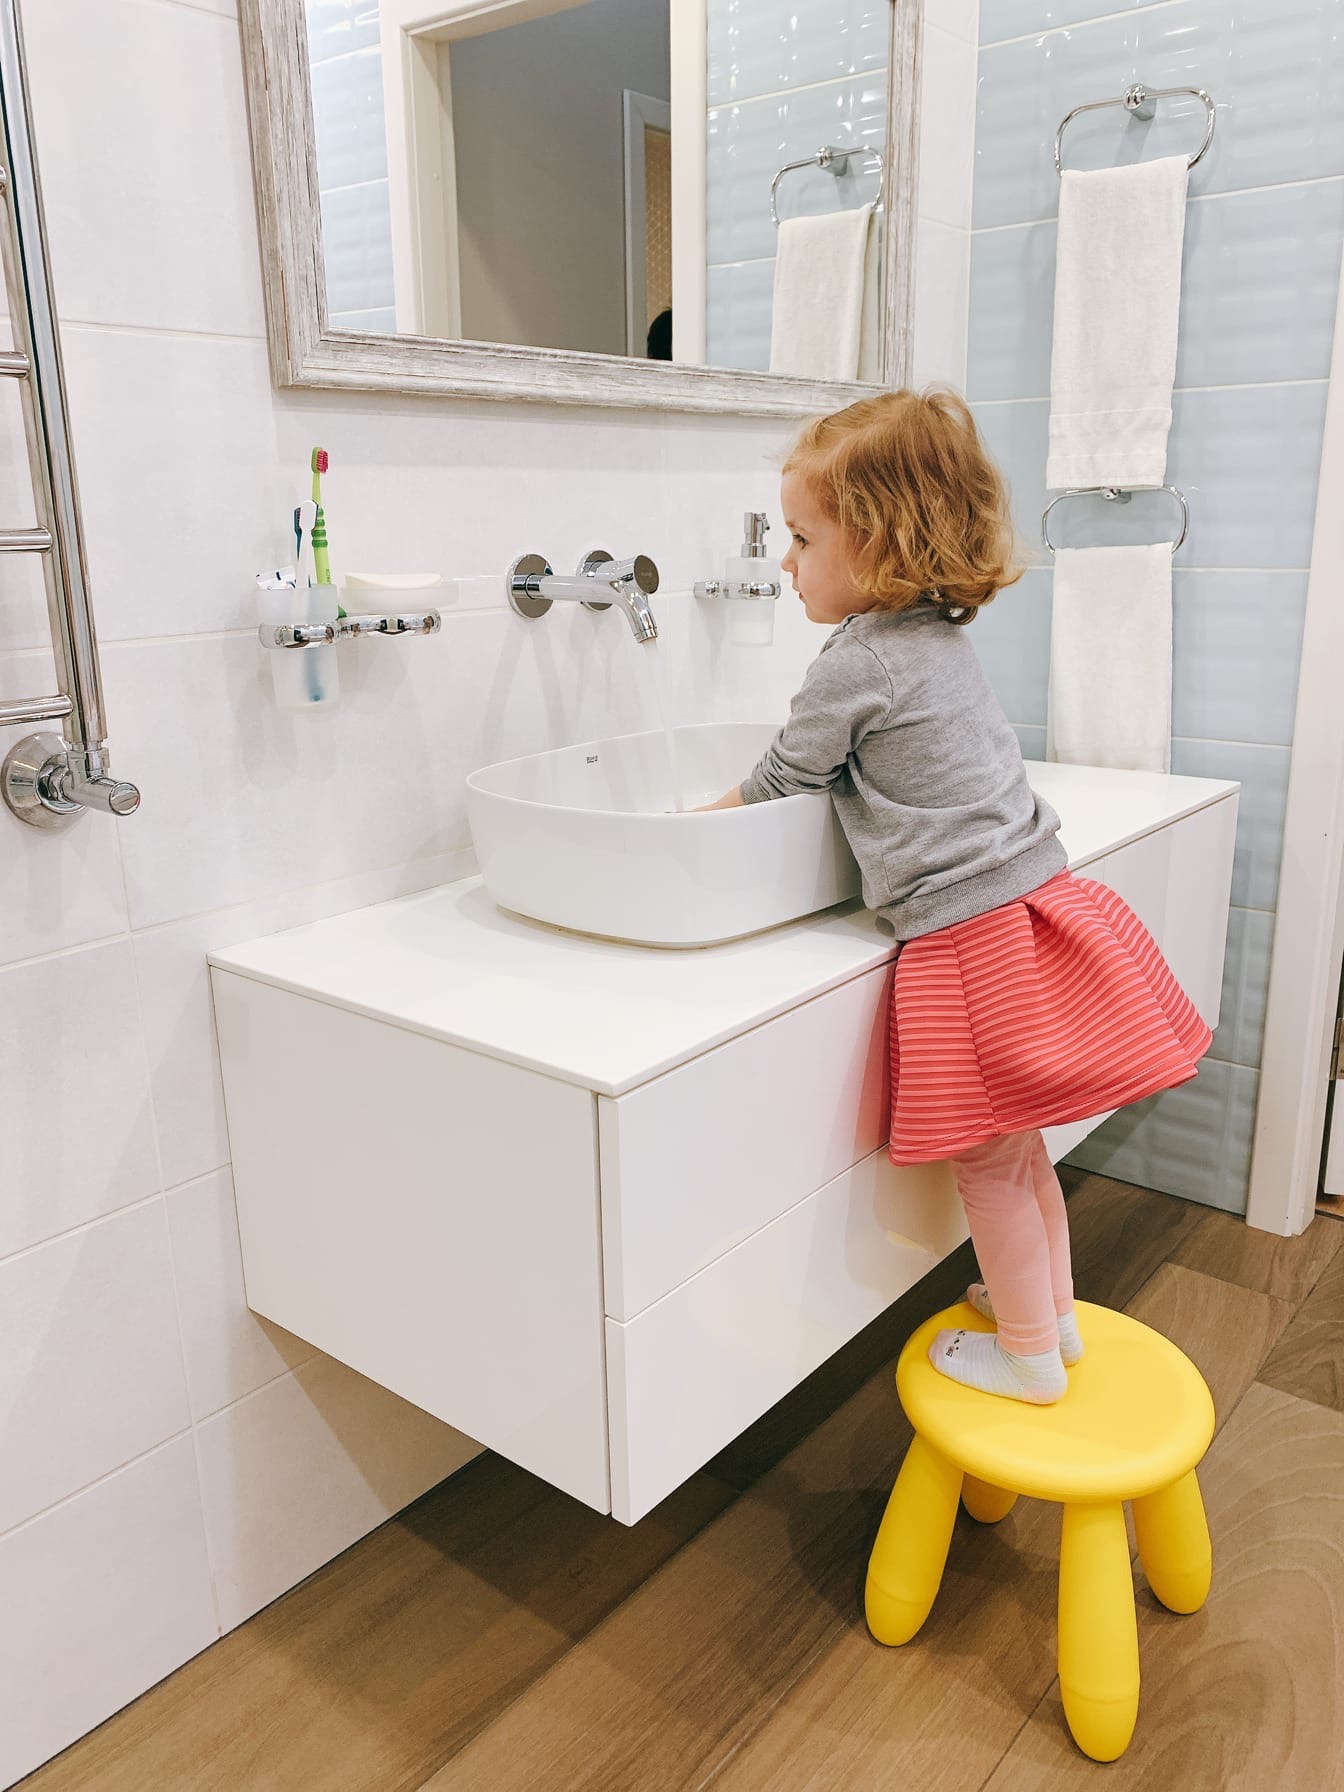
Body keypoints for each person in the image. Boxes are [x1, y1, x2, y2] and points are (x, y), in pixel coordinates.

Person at [696, 389, 1210, 1405]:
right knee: (1022, 1153)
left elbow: (784, 778)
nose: (786, 563)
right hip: (1032, 908)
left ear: (876, 542)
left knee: (985, 1167)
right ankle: (1051, 1319)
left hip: (967, 945)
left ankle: (1025, 1356)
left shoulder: (856, 662)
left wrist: (688, 824)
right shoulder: (933, 635)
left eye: (802, 539)